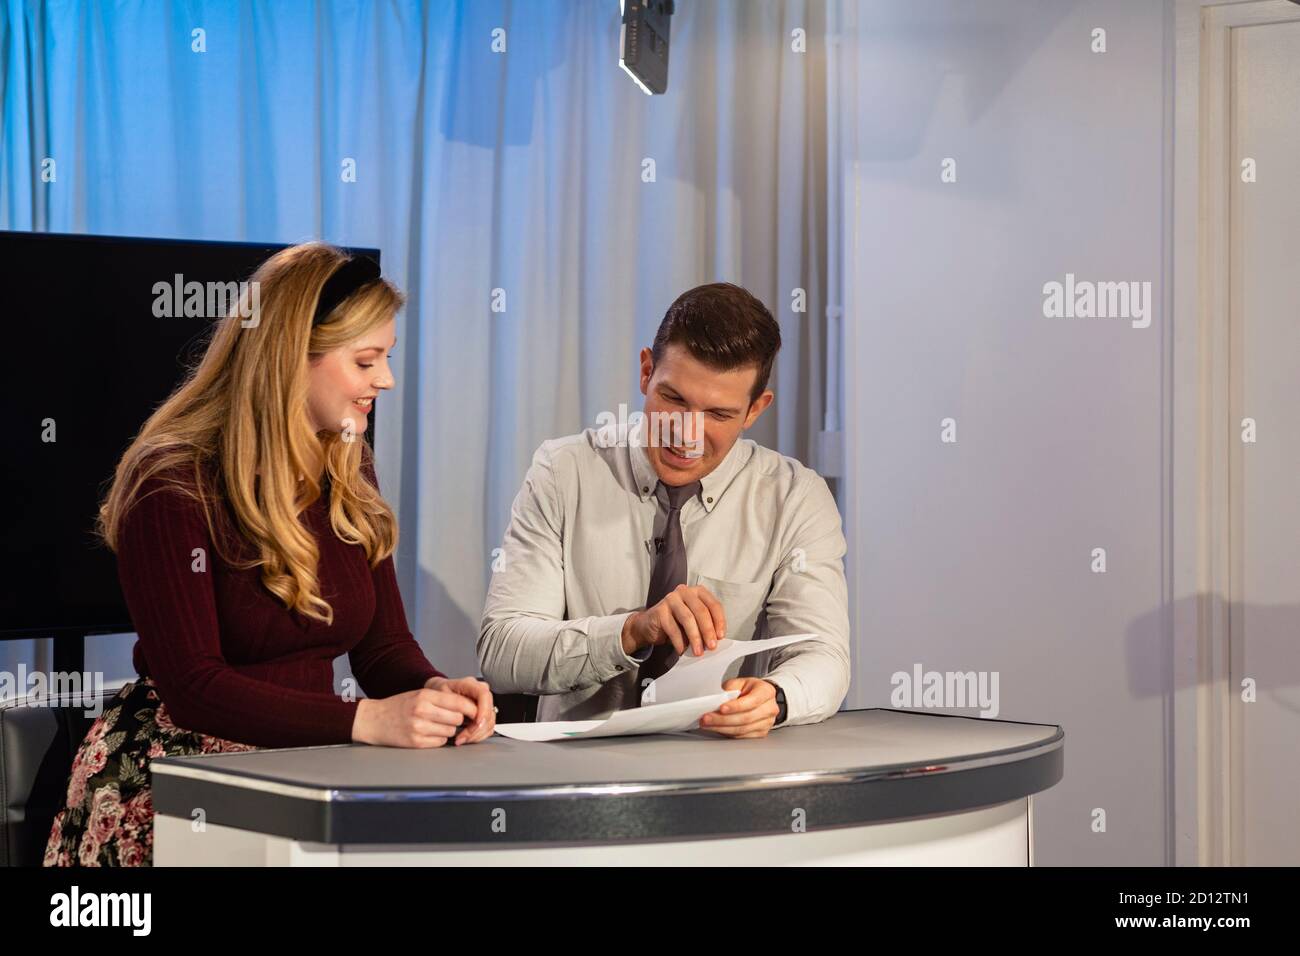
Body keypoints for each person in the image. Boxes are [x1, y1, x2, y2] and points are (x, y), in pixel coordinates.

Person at [45, 242, 493, 867]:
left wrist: (436, 693)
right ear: (290, 358)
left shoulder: (347, 460)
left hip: (303, 766)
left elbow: (383, 648)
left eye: (386, 358)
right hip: (172, 779)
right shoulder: (173, 480)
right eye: (366, 360)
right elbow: (195, 688)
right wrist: (367, 722)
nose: (385, 380)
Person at [479, 282, 849, 738]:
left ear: (755, 409)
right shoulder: (563, 472)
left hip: (720, 774)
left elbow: (824, 656)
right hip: (575, 777)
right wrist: (632, 631)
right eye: (673, 400)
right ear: (645, 372)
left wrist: (775, 696)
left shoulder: (794, 498)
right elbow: (502, 653)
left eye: (718, 414)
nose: (687, 434)